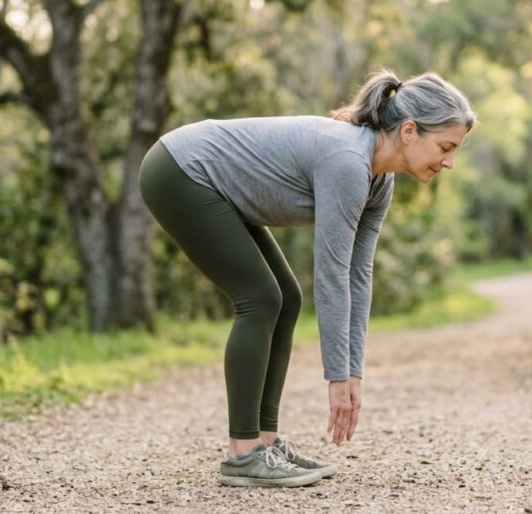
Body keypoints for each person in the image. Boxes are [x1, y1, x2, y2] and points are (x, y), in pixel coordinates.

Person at [138, 69, 476, 488]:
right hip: (181, 171)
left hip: (206, 179)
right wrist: (336, 378)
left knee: (287, 298)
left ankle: (265, 443)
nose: (449, 162)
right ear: (409, 131)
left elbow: (358, 275)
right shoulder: (348, 161)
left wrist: (353, 372)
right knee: (260, 298)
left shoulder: (379, 181)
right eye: (445, 147)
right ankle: (243, 454)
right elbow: (332, 275)